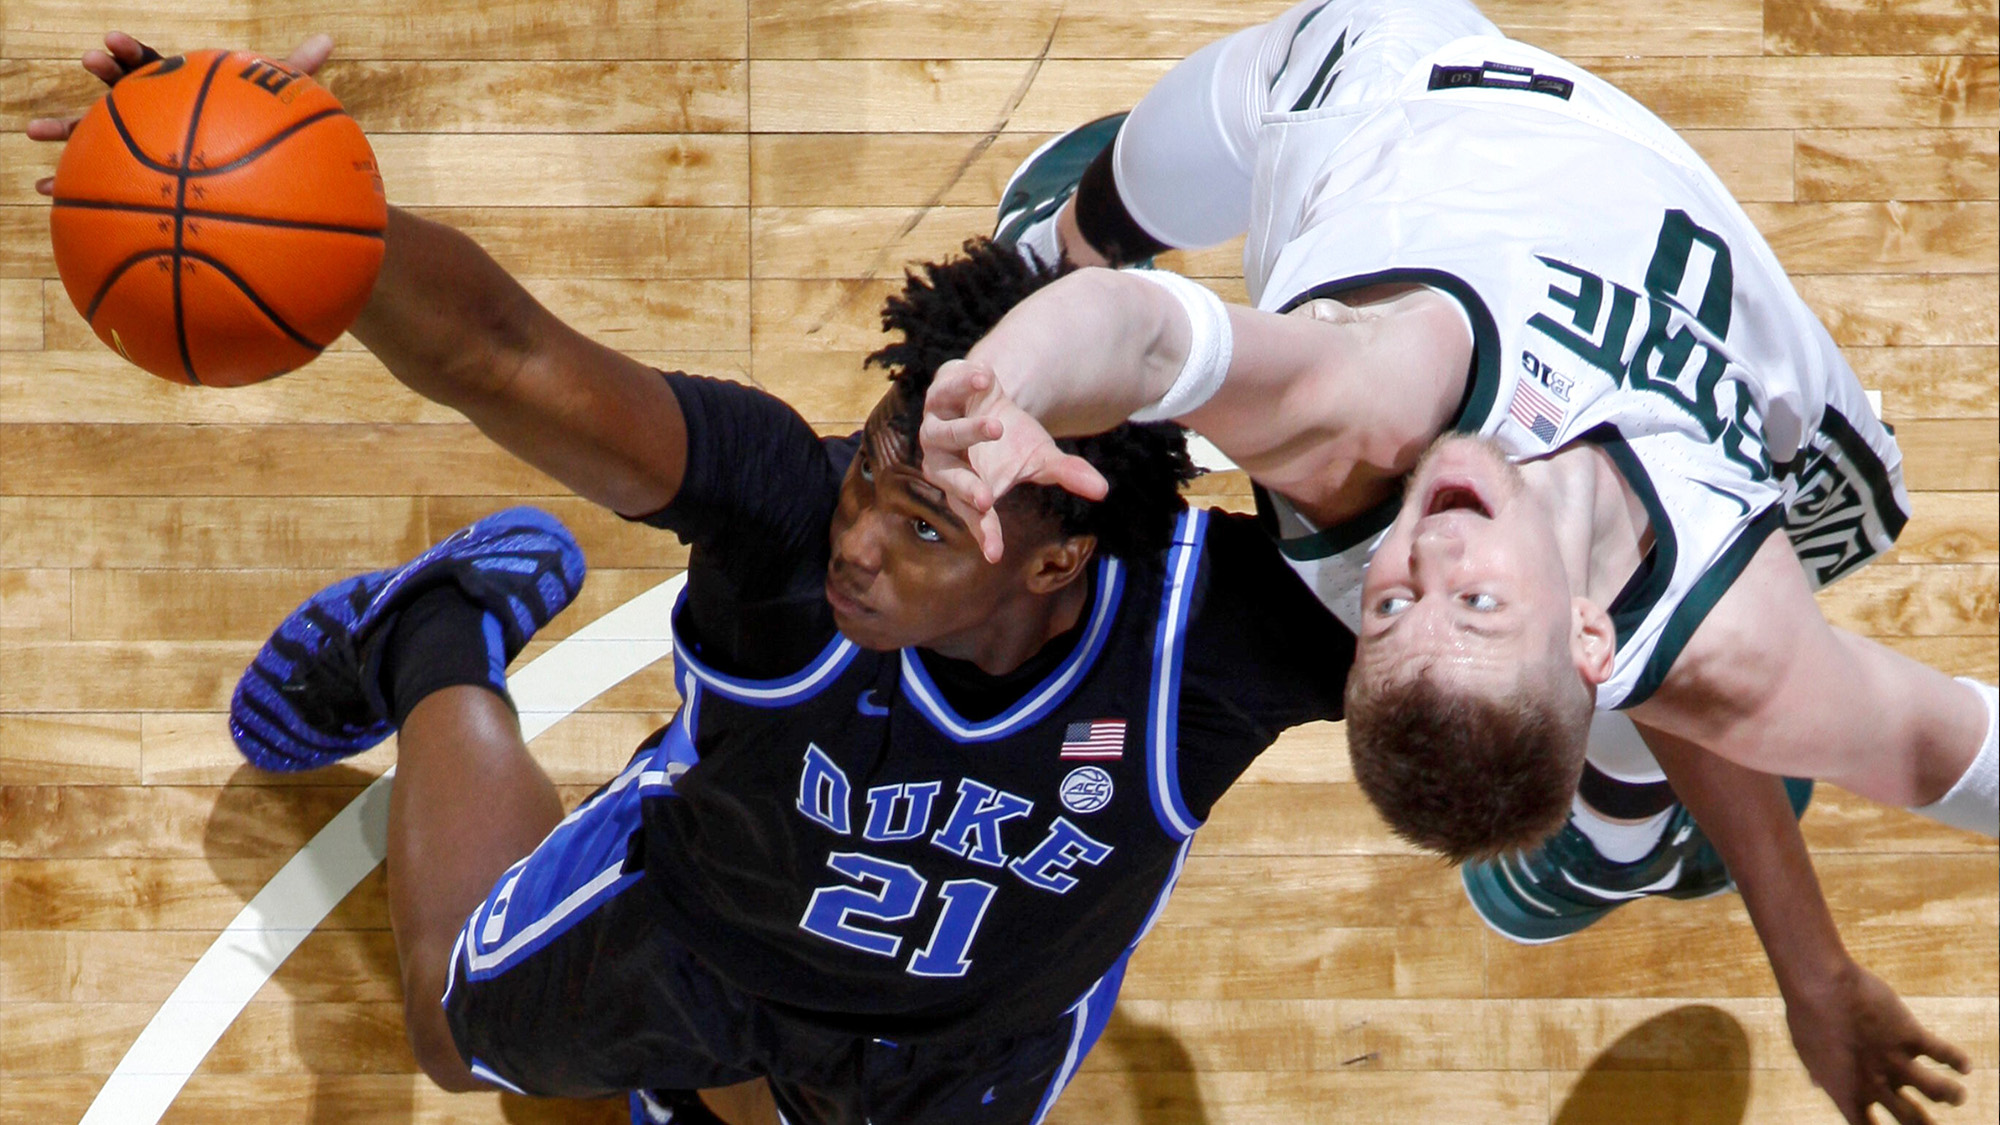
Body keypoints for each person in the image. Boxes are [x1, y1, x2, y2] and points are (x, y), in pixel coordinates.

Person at [31, 35, 1360, 1125]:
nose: (860, 544)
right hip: (713, 917)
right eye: (870, 484)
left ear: (1063, 557)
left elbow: (1512, 636)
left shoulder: (1218, 630)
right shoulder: (786, 519)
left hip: (981, 1022)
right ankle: (439, 630)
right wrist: (298, 207)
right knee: (446, 1027)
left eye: (926, 533)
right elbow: (503, 352)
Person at [906, 2, 1992, 1122]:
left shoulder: (1356, 431)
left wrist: (1008, 381)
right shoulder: (1736, 647)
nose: (1424, 552)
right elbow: (1900, 735)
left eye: (1386, 609)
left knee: (1161, 167)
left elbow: (1141, 334)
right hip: (1526, 143)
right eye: (1469, 598)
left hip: (1403, 103)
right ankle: (1618, 839)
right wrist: (1815, 977)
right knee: (1691, 692)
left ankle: (1059, 230)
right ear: (1587, 634)